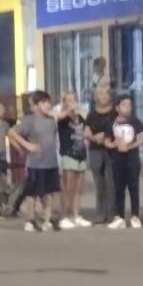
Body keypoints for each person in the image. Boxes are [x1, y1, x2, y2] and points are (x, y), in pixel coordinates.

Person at [7, 90, 62, 233]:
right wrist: (25, 146)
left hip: (51, 162)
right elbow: (12, 133)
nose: (48, 105)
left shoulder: (51, 121)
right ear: (36, 105)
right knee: (32, 193)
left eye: (49, 102)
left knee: (48, 192)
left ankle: (47, 219)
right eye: (44, 102)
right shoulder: (28, 121)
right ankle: (30, 220)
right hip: (35, 163)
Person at [105, 95, 143, 228]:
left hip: (132, 159)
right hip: (117, 159)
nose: (127, 108)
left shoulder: (135, 121)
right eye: (124, 105)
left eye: (129, 105)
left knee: (133, 187)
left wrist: (129, 146)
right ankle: (120, 217)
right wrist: (113, 145)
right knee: (119, 188)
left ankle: (135, 216)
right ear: (117, 107)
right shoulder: (111, 122)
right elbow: (106, 140)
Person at [56, 92, 91, 229]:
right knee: (67, 188)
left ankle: (76, 215)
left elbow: (87, 127)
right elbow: (59, 116)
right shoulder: (62, 118)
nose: (72, 103)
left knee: (78, 188)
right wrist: (68, 110)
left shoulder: (81, 117)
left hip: (81, 154)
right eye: (69, 100)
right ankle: (64, 216)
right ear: (64, 102)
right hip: (68, 154)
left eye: (74, 100)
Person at [83, 85, 116, 225]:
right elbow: (86, 131)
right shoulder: (91, 114)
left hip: (111, 150)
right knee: (99, 183)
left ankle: (112, 213)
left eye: (106, 93)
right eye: (100, 93)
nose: (103, 96)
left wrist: (106, 135)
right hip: (95, 150)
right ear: (96, 96)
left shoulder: (115, 113)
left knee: (111, 182)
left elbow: (120, 128)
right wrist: (93, 137)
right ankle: (100, 213)